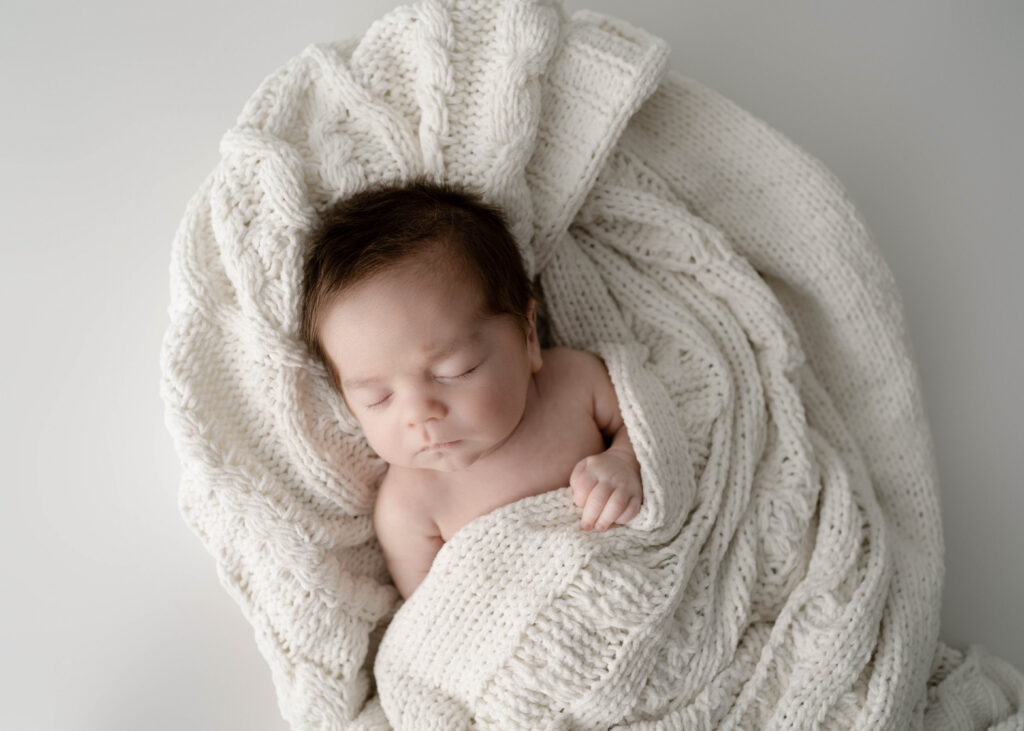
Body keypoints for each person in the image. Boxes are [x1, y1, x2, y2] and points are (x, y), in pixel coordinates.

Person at [300, 178, 643, 599]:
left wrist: (625, 459)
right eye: (378, 398)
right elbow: (434, 624)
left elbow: (646, 425)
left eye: (454, 369)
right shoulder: (409, 508)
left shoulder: (574, 383)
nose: (418, 414)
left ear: (529, 336)